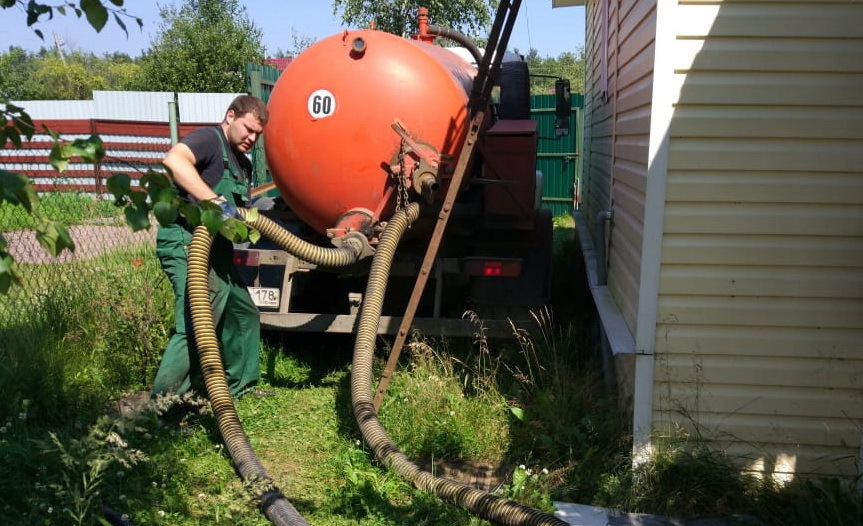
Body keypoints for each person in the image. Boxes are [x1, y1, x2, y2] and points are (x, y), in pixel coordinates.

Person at [151, 94, 270, 400]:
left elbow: (237, 214)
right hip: (187, 240)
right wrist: (215, 201)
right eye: (248, 129)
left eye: (257, 134)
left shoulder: (242, 163)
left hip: (219, 250)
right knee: (199, 320)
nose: (252, 138)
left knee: (243, 314)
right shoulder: (209, 139)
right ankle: (163, 406)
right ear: (230, 116)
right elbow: (174, 161)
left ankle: (240, 387)